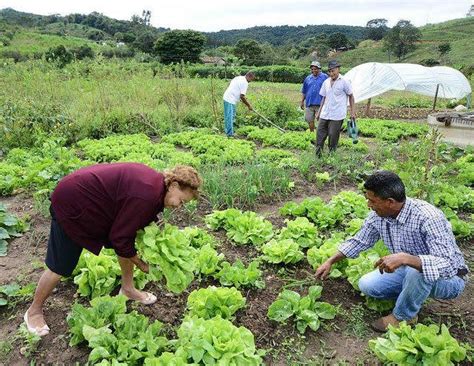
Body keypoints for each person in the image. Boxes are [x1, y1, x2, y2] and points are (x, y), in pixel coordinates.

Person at [24, 163, 202, 336]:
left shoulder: (156, 186)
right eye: (181, 200)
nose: (179, 206)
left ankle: (128, 289)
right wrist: (141, 264)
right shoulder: (147, 195)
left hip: (88, 198)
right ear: (174, 185)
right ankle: (33, 312)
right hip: (72, 202)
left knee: (126, 241)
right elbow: (120, 238)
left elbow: (129, 228)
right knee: (61, 265)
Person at [315, 171, 468, 332]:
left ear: (390, 202)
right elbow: (360, 240)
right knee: (367, 285)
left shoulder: (429, 217)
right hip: (409, 272)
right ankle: (411, 295)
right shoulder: (379, 215)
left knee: (418, 271)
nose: (368, 204)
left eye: (372, 200)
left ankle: (403, 316)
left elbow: (447, 264)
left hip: (450, 279)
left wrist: (406, 258)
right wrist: (330, 261)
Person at [315, 60, 355, 155]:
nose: (331, 73)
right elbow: (324, 98)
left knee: (333, 135)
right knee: (320, 134)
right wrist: (319, 112)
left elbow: (351, 96)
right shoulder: (326, 82)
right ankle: (318, 155)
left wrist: (352, 112)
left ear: (338, 69)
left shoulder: (344, 81)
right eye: (330, 71)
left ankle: (331, 155)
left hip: (337, 115)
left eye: (333, 71)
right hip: (325, 113)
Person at [223, 71, 255, 137]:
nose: (251, 81)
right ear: (249, 76)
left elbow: (231, 85)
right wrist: (249, 106)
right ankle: (229, 135)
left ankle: (229, 132)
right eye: (252, 79)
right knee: (229, 117)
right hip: (229, 99)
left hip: (228, 98)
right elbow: (242, 96)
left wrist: (237, 95)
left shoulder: (239, 77)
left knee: (232, 116)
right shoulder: (245, 82)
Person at [300, 61, 328, 132]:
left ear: (319, 69)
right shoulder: (308, 78)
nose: (313, 70)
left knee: (321, 121)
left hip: (320, 103)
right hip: (309, 103)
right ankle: (312, 133)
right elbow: (304, 91)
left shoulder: (324, 77)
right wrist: (302, 101)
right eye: (312, 69)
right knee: (310, 120)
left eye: (315, 69)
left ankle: (320, 134)